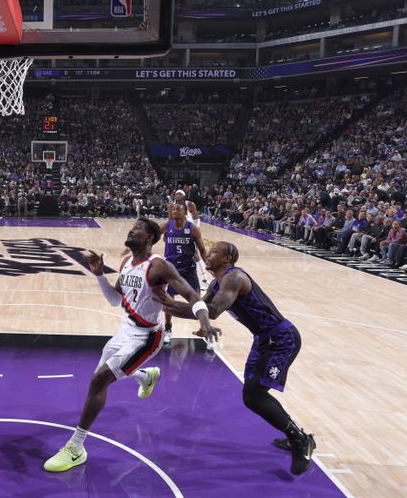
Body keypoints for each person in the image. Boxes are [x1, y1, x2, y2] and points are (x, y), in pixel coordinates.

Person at [43, 217, 218, 473]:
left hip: (147, 337)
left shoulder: (159, 266)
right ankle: (145, 376)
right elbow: (116, 300)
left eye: (136, 229)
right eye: (131, 227)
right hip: (125, 329)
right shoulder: (126, 262)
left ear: (149, 238)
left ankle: (75, 447)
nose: (131, 230)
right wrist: (100, 275)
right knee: (100, 377)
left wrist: (205, 322)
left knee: (98, 381)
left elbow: (192, 295)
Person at [156, 241, 316, 475]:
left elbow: (214, 311)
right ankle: (297, 436)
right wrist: (172, 309)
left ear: (227, 259)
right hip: (263, 340)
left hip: (282, 339)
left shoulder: (235, 278)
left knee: (254, 395)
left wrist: (172, 305)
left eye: (213, 252)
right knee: (252, 396)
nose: (208, 254)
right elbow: (202, 310)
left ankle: (300, 440)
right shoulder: (216, 282)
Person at [161, 203, 207, 345]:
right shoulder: (167, 226)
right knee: (168, 301)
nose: (175, 211)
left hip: (188, 269)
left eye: (178, 209)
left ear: (185, 212)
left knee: (198, 301)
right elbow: (150, 237)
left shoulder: (193, 228)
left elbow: (203, 250)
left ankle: (205, 330)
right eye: (173, 209)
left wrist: (210, 267)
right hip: (171, 270)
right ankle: (168, 328)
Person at [174, 188, 209, 289]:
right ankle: (184, 277)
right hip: (179, 232)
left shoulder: (190, 204)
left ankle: (205, 279)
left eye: (180, 194)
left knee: (195, 255)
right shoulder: (173, 205)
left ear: (184, 196)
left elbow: (196, 218)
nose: (178, 195)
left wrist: (195, 230)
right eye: (177, 194)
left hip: (189, 231)